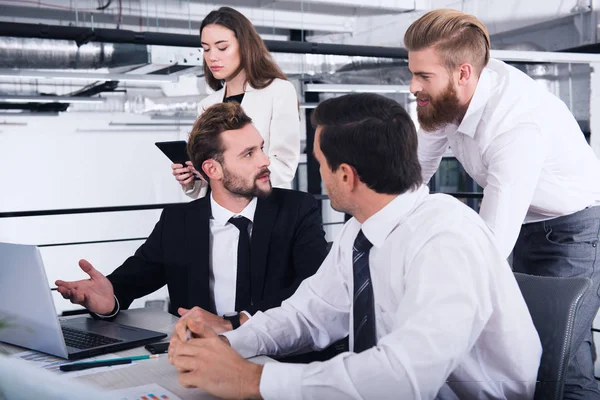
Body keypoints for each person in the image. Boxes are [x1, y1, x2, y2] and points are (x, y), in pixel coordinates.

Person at [167, 93, 542, 400]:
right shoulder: (360, 233)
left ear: (345, 175)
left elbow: (404, 377)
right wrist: (224, 346)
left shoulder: (446, 239)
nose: (317, 174)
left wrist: (252, 380)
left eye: (319, 164)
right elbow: (308, 315)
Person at [404, 9, 600, 398]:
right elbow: (415, 175)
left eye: (423, 76)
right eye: (412, 73)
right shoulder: (443, 98)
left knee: (552, 353)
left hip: (573, 229)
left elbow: (491, 244)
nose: (413, 86)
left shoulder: (515, 125)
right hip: (527, 223)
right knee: (554, 349)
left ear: (463, 73)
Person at [55, 102, 326, 334]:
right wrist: (110, 299)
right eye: (249, 154)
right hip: (202, 362)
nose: (265, 160)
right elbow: (129, 283)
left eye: (261, 148)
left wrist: (232, 323)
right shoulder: (177, 223)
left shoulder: (297, 210)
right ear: (212, 169)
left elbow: (314, 290)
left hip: (281, 360)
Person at [172, 6, 300, 199]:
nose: (212, 56)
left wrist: (227, 176)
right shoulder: (207, 104)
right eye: (206, 49)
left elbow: (284, 166)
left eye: (222, 47)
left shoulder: (278, 91)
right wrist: (192, 179)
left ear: (245, 46)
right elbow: (206, 183)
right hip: (220, 212)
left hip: (265, 205)